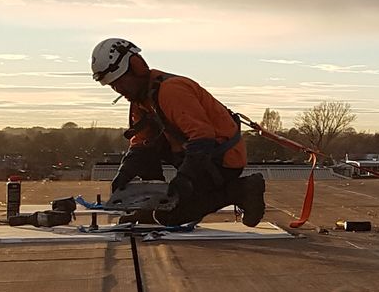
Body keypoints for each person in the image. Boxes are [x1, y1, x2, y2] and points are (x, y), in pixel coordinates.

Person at [90, 38, 265, 227]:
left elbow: (203, 138)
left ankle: (243, 189)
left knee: (170, 217)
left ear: (136, 68)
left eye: (120, 82)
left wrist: (185, 180)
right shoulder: (141, 98)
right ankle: (151, 206)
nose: (118, 89)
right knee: (145, 152)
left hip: (221, 159)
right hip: (194, 153)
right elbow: (141, 142)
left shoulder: (171, 91)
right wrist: (125, 173)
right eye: (112, 86)